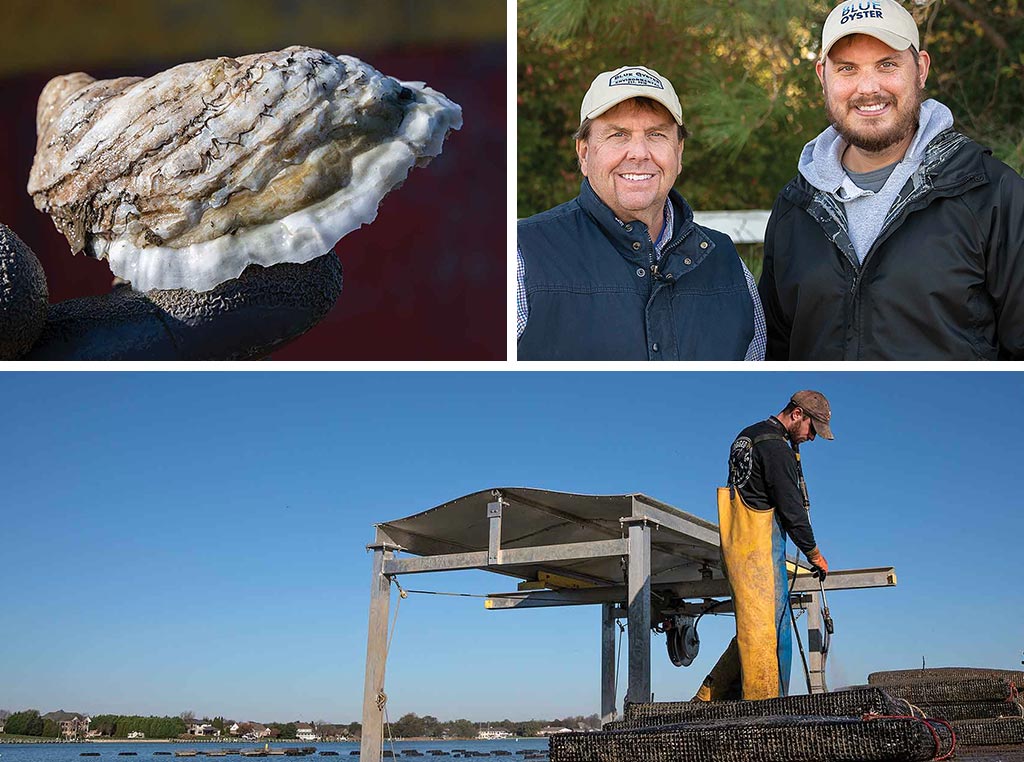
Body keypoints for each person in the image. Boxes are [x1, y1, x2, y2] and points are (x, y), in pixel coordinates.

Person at [759, 0, 1024, 360]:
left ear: (920, 69)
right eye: (848, 68)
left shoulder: (991, 193)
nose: (868, 88)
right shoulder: (795, 208)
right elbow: (776, 353)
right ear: (823, 75)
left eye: (887, 64)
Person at [517, 65, 765, 360]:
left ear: (679, 152)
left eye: (656, 134)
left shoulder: (728, 265)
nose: (639, 152)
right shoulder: (522, 257)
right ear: (584, 153)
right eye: (618, 134)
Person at [695, 390, 833, 702]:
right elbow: (793, 511)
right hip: (759, 552)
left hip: (737, 545)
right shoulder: (775, 447)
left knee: (752, 629)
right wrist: (814, 554)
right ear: (797, 414)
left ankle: (709, 694)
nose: (812, 438)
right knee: (769, 636)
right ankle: (765, 708)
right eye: (812, 429)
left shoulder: (747, 436)